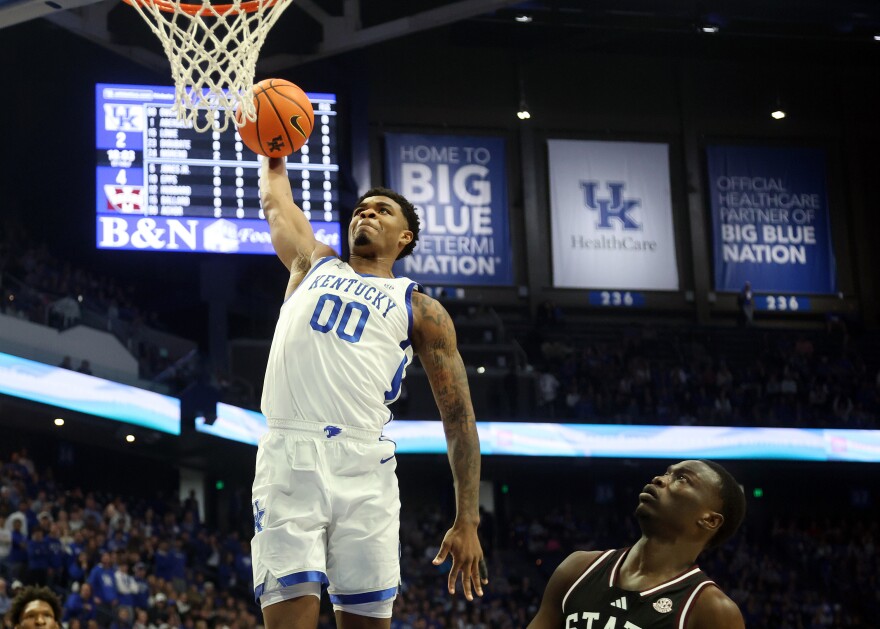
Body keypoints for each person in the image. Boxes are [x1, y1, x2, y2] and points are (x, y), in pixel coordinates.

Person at [251, 157, 486, 629]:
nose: (366, 214)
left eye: (382, 211)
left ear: (405, 239)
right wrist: (270, 154)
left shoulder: (421, 308)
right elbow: (277, 204)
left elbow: (458, 418)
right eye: (361, 209)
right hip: (291, 453)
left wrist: (468, 519)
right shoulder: (312, 263)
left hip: (367, 466)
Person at [528, 460, 746, 629]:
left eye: (682, 478)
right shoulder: (577, 569)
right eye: (667, 473)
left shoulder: (712, 610)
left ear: (710, 520)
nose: (660, 479)